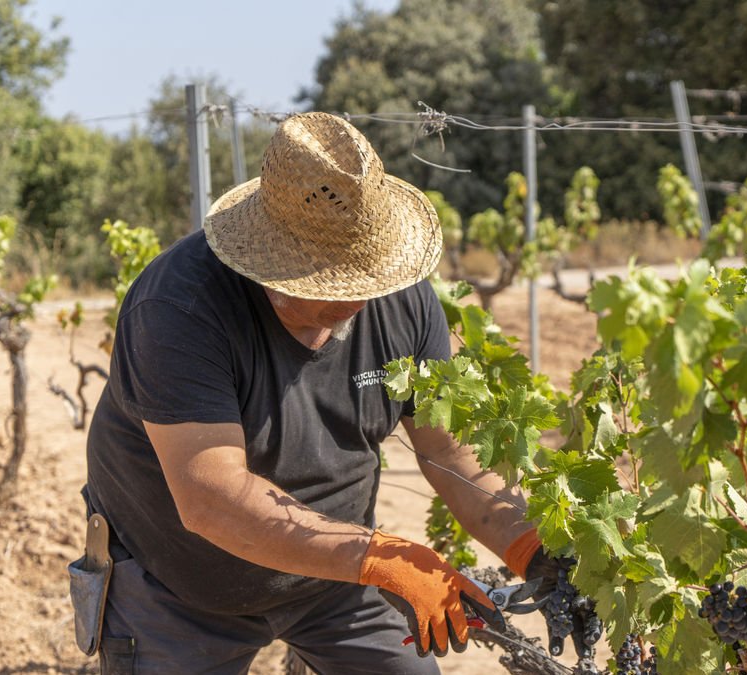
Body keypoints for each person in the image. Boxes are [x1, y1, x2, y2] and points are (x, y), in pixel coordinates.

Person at [76, 112, 575, 674]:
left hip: (333, 577)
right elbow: (213, 499)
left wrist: (533, 549)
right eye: (326, 281)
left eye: (366, 279)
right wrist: (381, 557)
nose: (356, 301)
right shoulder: (179, 308)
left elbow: (452, 453)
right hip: (179, 584)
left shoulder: (403, 298)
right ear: (264, 262)